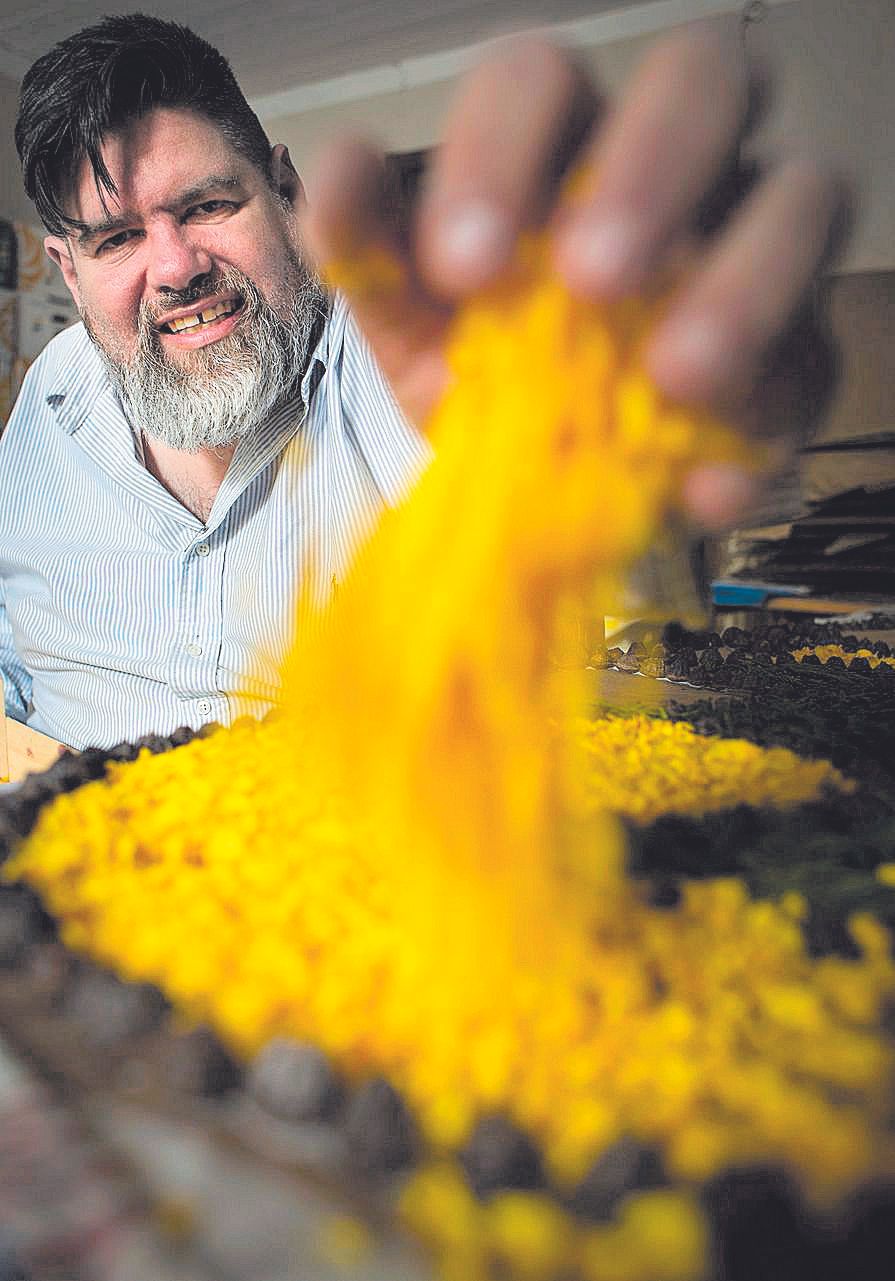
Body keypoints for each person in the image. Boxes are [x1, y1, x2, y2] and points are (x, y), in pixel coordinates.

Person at [0, 13, 845, 750]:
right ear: (69, 274)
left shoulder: (422, 376)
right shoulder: (49, 404)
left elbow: (587, 522)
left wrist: (634, 373)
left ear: (286, 193)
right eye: (117, 241)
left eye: (208, 206)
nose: (176, 267)